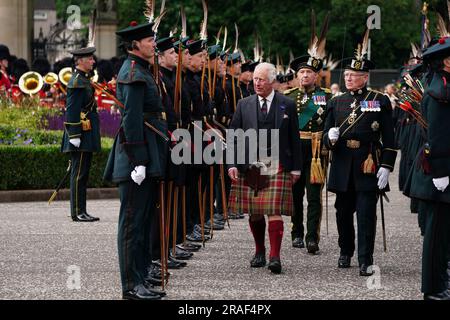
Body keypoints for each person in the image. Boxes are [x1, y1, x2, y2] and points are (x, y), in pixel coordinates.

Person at [322, 28, 397, 277]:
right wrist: (329, 138)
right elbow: (325, 135)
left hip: (368, 164)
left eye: (354, 75)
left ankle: (366, 259)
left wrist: (386, 166)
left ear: (365, 77)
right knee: (342, 213)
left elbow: (390, 136)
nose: (349, 78)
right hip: (343, 163)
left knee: (366, 216)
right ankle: (346, 251)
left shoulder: (379, 100)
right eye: (347, 74)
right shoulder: (336, 101)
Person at [103, 21, 168, 300]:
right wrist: (138, 160)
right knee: (132, 225)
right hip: (134, 159)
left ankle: (140, 278)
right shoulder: (132, 73)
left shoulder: (140, 70)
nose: (154, 43)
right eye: (149, 39)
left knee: (142, 223)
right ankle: (130, 286)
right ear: (135, 45)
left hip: (144, 155)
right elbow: (131, 120)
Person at [227, 62, 302, 274]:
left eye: (261, 79)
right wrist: (232, 163)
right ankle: (259, 251)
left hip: (278, 162)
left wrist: (296, 168)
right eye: (255, 80)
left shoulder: (286, 104)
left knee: (273, 209)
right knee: (256, 212)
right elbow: (234, 136)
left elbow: (294, 138)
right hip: (251, 164)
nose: (257, 83)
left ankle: (275, 256)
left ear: (271, 81)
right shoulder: (244, 104)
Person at [403, 37, 450, 300]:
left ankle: (441, 281)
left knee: (444, 235)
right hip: (439, 173)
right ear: (446, 61)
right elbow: (440, 135)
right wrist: (442, 172)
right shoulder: (439, 90)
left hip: (442, 170)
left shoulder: (443, 85)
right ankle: (434, 289)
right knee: (436, 236)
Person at [284, 14, 331, 254]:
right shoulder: (288, 97)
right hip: (295, 149)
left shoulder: (327, 97)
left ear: (316, 75)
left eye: (309, 73)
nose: (304, 76)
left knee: (314, 197)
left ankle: (313, 236)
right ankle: (296, 233)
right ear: (297, 75)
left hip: (315, 151)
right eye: (301, 73)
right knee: (294, 194)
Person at [60, 46, 101, 222]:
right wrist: (74, 134)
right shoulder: (76, 81)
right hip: (80, 133)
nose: (93, 61)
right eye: (90, 59)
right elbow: (72, 110)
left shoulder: (84, 79)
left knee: (83, 173)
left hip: (86, 131)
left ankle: (81, 210)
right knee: (79, 174)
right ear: (80, 61)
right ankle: (77, 211)